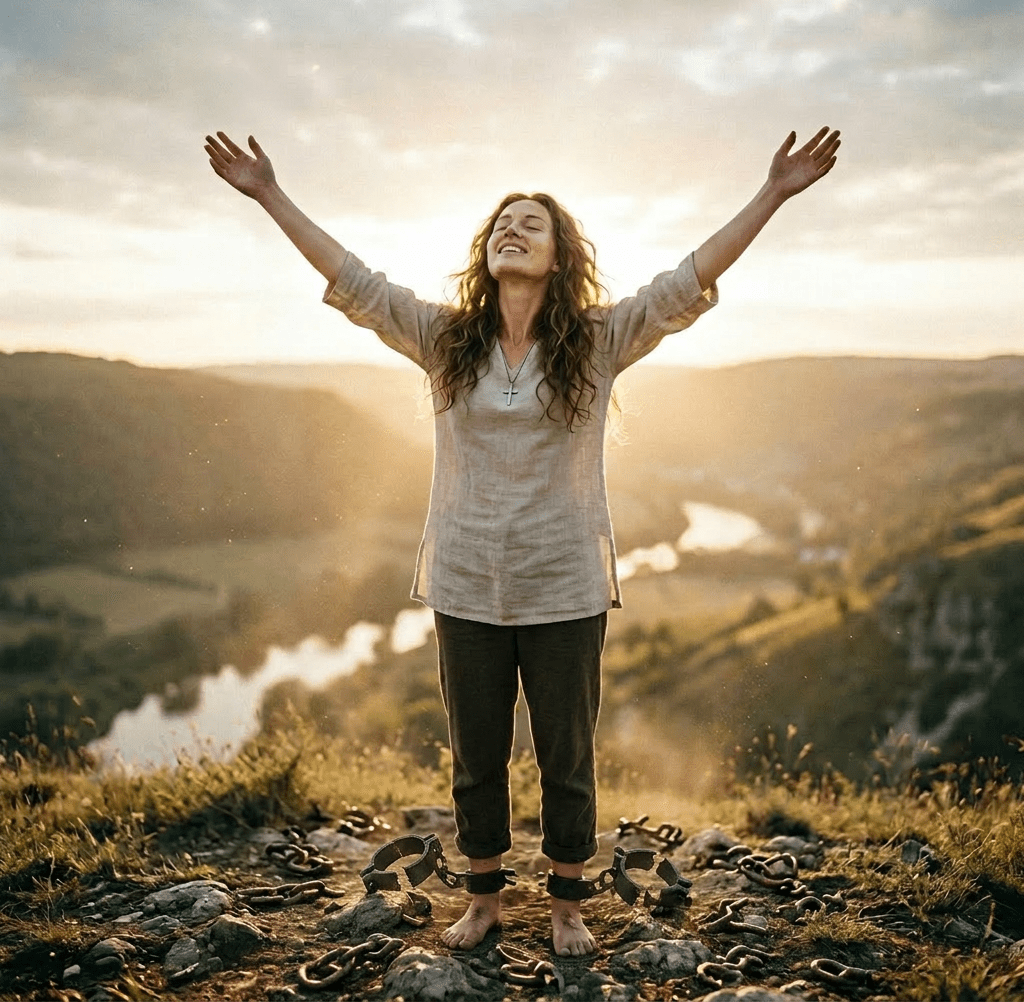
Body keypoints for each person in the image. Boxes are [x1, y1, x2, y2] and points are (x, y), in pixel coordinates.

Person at [204, 125, 841, 956]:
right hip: (466, 580)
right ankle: (484, 901)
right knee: (476, 757)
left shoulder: (599, 340)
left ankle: (567, 906)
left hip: (565, 583)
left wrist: (773, 193)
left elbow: (686, 281)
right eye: (503, 222)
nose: (513, 229)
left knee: (565, 759)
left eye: (531, 223)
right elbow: (354, 281)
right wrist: (268, 193)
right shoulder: (445, 340)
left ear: (558, 255)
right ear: (487, 250)